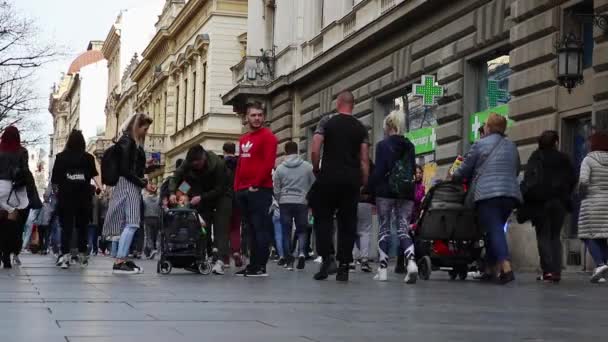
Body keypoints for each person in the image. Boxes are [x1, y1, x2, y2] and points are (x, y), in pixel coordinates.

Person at [453, 113, 521, 285]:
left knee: (494, 229)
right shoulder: (512, 146)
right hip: (509, 194)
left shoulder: (480, 144)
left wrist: (453, 176)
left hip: (488, 194)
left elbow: (464, 170)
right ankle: (490, 269)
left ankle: (506, 268)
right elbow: (516, 169)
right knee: (494, 230)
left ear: (488, 128)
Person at [311, 90, 370, 282]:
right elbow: (364, 160)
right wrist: (363, 182)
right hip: (351, 180)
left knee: (323, 219)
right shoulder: (361, 128)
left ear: (338, 103)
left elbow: (315, 147)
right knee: (348, 223)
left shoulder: (327, 122)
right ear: (353, 105)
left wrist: (316, 167)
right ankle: (344, 265)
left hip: (328, 178)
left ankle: (327, 258)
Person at [103, 113, 155, 274]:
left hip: (128, 184)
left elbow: (128, 169)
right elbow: (126, 170)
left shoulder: (128, 142)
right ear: (137, 127)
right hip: (129, 185)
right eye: (145, 129)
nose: (146, 132)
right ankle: (120, 261)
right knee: (132, 223)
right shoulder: (129, 143)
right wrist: (143, 183)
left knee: (129, 223)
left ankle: (122, 259)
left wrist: (143, 180)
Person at [369, 111, 418, 283]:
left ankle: (382, 271)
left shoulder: (382, 145)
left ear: (389, 127)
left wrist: (369, 188)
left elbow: (380, 171)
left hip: (385, 192)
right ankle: (411, 263)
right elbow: (412, 170)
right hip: (406, 192)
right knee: (403, 229)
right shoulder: (410, 145)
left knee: (384, 229)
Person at [169, 144, 232, 275]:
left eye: (198, 165)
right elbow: (177, 177)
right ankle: (201, 258)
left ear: (204, 158)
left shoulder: (218, 164)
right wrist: (172, 192)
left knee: (221, 226)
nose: (195, 167)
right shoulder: (188, 163)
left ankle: (220, 261)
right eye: (193, 165)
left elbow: (220, 188)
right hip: (201, 195)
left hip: (222, 194)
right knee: (202, 226)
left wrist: (201, 197)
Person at [522, 131, 576, 283]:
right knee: (555, 236)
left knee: (543, 235)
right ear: (556, 142)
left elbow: (528, 179)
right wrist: (565, 193)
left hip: (541, 202)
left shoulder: (536, 156)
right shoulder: (564, 158)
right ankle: (556, 272)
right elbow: (572, 178)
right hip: (559, 201)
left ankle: (548, 271)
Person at [233, 102, 278, 277]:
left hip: (260, 190)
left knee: (261, 229)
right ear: (247, 118)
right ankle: (252, 265)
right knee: (250, 230)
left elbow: (268, 164)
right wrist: (237, 188)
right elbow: (240, 165)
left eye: (260, 115)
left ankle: (260, 266)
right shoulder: (244, 139)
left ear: (264, 117)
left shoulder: (269, 137)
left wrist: (256, 184)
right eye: (253, 115)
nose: (257, 118)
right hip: (243, 191)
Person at [51, 130, 100, 269]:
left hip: (66, 198)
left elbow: (55, 180)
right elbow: (94, 175)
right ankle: (83, 255)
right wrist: (99, 188)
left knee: (66, 227)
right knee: (82, 227)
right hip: (83, 198)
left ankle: (65, 256)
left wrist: (57, 193)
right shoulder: (88, 158)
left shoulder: (60, 157)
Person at [273, 141, 315, 271]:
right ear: (297, 151)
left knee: (286, 231)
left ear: (285, 152)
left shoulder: (280, 168)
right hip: (302, 202)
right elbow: (313, 184)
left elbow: (276, 188)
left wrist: (279, 199)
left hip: (285, 202)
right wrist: (307, 197)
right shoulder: (308, 167)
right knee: (302, 230)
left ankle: (289, 260)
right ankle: (302, 253)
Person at [578, 131, 608, 283]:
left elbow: (583, 181)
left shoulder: (588, 160)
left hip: (592, 202)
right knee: (601, 236)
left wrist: (581, 194)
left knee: (588, 235)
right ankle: (602, 270)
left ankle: (600, 264)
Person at [223, 142, 243, 267]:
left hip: (224, 199)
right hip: (238, 198)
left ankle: (225, 259)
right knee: (236, 227)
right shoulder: (240, 163)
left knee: (224, 229)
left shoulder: (221, 164)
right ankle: (236, 251)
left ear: (224, 151)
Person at [354, 158, 374, 273]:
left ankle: (351, 261)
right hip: (366, 201)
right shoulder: (369, 163)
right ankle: (364, 260)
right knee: (365, 231)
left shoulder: (350, 160)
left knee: (351, 231)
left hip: (351, 200)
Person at [142, 185, 160, 259]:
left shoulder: (145, 199)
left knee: (148, 235)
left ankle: (150, 249)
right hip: (156, 218)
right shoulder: (159, 200)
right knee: (155, 235)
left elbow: (143, 208)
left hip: (147, 218)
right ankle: (155, 248)